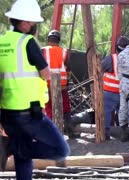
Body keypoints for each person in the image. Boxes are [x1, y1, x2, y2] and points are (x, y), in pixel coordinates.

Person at [0, 0, 70, 179]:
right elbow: (45, 74)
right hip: (28, 112)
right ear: (24, 23)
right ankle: (14, 148)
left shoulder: (2, 42)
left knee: (23, 162)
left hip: (6, 111)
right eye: (33, 23)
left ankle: (14, 147)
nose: (34, 27)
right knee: (60, 149)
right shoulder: (27, 42)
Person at [41, 30, 74, 136]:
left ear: (48, 40)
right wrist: (67, 82)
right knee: (66, 109)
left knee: (49, 110)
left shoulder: (42, 51)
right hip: (62, 87)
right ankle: (69, 131)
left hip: (47, 86)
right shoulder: (64, 52)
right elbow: (68, 70)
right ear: (58, 40)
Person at [101, 36, 128, 140]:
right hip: (124, 92)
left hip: (110, 92)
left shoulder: (111, 58)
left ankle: (106, 133)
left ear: (117, 47)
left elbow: (100, 70)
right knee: (123, 113)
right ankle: (125, 133)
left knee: (107, 112)